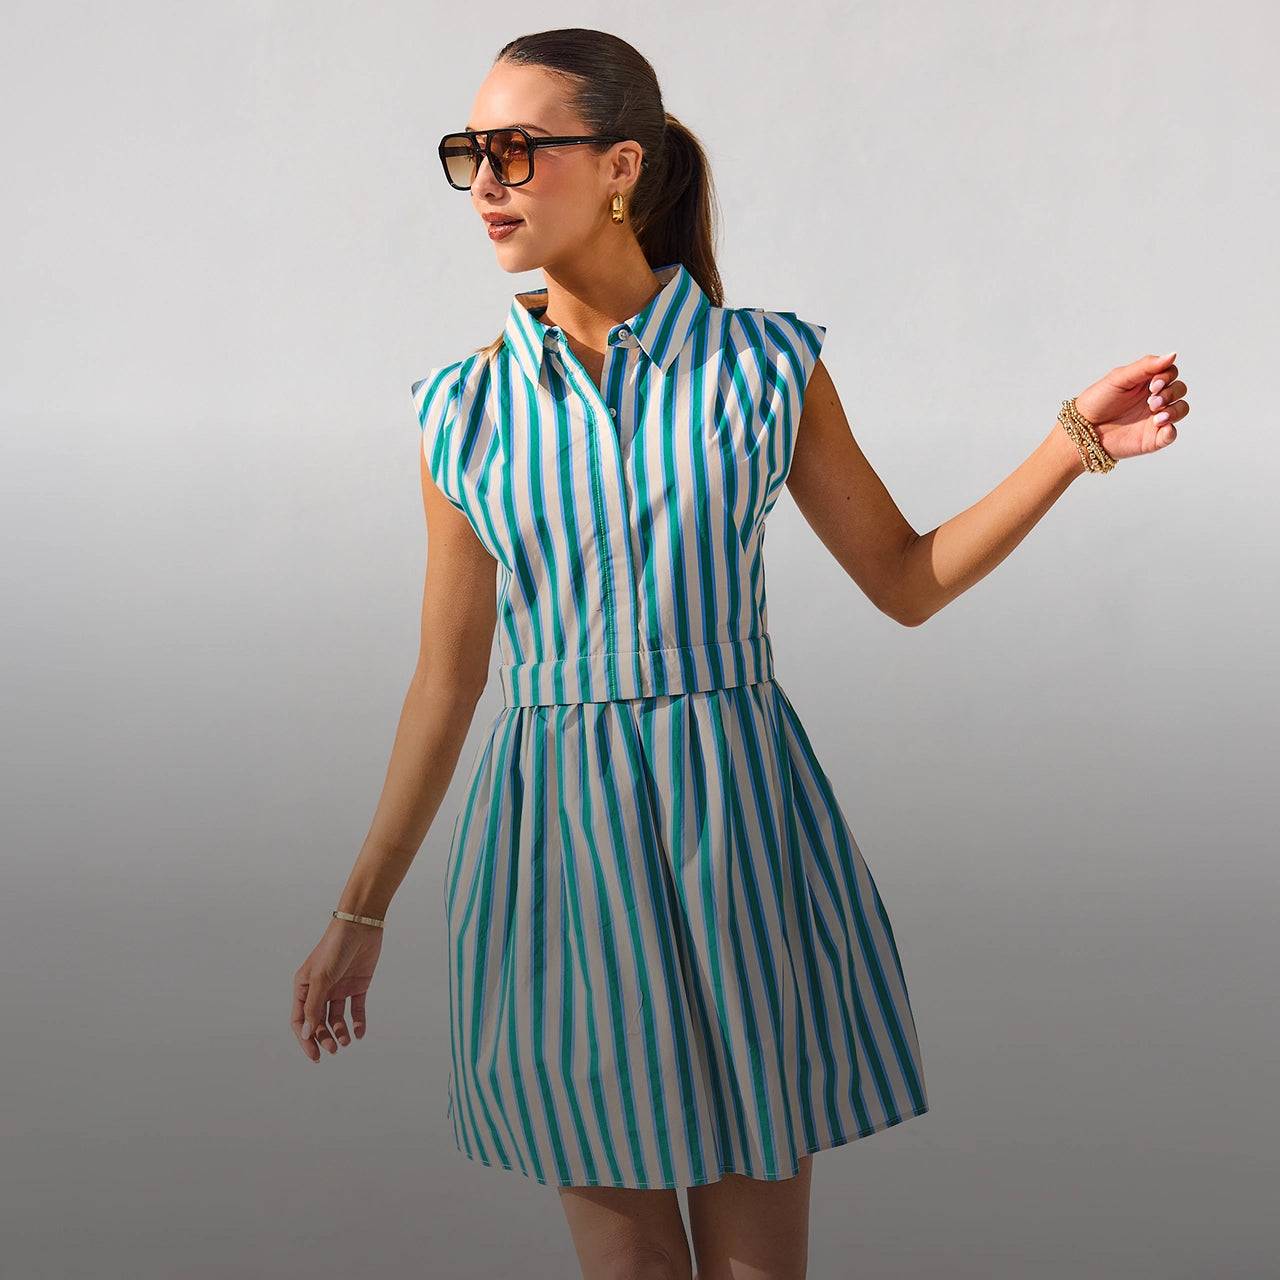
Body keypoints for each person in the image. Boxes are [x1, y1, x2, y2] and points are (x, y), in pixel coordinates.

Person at [291, 27, 1189, 1280]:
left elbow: (902, 578)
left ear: (616, 167)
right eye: (467, 154)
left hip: (734, 827)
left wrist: (1065, 447)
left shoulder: (765, 366)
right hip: (555, 843)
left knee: (758, 1273)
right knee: (633, 1271)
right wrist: (359, 908)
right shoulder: (463, 407)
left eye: (514, 149)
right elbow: (449, 679)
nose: (485, 179)